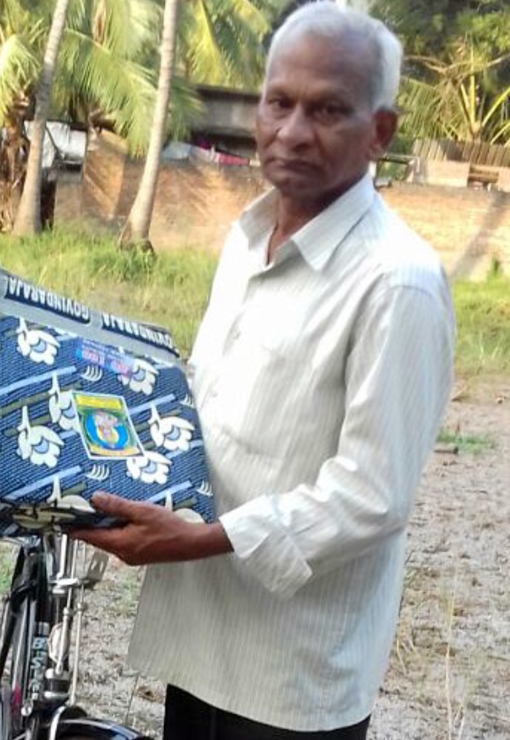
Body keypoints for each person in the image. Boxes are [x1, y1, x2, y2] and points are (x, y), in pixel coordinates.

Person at [74, 4, 456, 738]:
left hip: (292, 672)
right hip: (205, 635)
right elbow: (210, 399)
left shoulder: (395, 281)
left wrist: (199, 539)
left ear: (380, 131)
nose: (291, 131)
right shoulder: (248, 239)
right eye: (279, 103)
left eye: (327, 110)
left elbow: (373, 495)